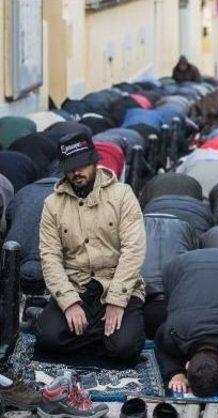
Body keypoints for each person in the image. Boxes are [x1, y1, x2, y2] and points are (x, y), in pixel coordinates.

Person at [36, 132, 146, 362]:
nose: (76, 172)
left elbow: (133, 250)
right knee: (48, 337)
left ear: (95, 161)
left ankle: (100, 334)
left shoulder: (122, 195)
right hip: (77, 286)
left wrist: (116, 300)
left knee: (125, 348)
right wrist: (68, 303)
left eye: (82, 165)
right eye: (70, 167)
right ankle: (98, 334)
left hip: (117, 284)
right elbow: (50, 257)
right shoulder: (52, 204)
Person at [155, 249, 218, 397]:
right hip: (185, 265)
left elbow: (162, 346)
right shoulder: (175, 331)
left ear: (187, 366)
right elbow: (160, 341)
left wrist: (174, 372)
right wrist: (175, 373)